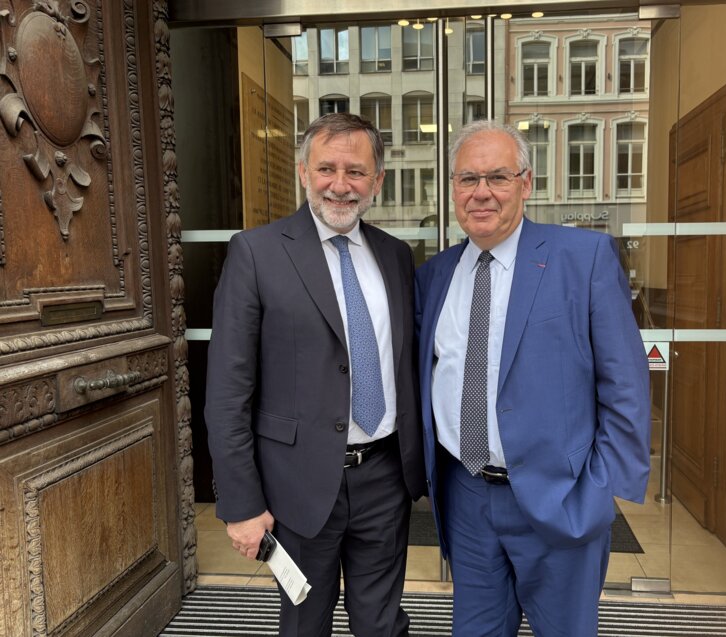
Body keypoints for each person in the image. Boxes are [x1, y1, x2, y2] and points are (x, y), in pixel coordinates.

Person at [415, 120, 651, 636]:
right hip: (467, 498)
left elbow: (626, 387)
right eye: (467, 178)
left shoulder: (583, 258)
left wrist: (599, 491)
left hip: (562, 499)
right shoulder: (434, 276)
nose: (481, 192)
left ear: (526, 183)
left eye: (497, 177)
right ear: (452, 188)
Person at [205, 112, 426, 637]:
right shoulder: (255, 253)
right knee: (305, 624)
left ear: (378, 180)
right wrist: (242, 504)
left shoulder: (396, 255)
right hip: (296, 485)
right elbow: (228, 392)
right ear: (304, 172)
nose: (340, 184)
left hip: (384, 478)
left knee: (382, 624)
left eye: (356, 171)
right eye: (326, 168)